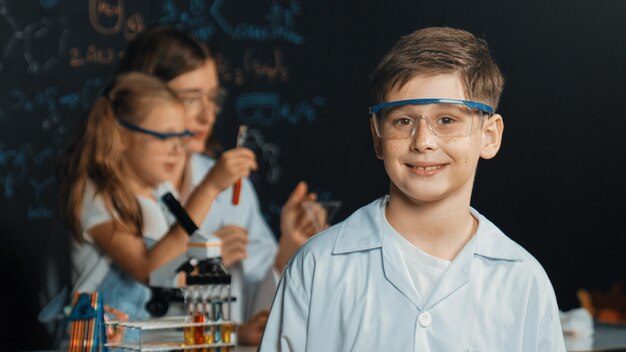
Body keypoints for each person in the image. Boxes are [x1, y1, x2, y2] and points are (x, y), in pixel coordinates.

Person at [259, 27, 567, 351]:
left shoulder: (524, 280)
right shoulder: (317, 266)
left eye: (447, 120)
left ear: (489, 136)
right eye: (403, 121)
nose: (423, 142)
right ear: (378, 136)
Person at [115, 26, 319, 344]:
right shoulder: (112, 186)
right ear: (142, 98)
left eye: (212, 98)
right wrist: (205, 260)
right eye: (189, 99)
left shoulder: (230, 187)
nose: (207, 115)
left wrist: (287, 251)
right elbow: (121, 314)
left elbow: (257, 318)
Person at [59, 72, 256, 339]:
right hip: (97, 344)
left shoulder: (161, 194)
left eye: (181, 137)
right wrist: (209, 187)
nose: (177, 150)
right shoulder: (97, 197)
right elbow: (148, 270)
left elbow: (167, 277)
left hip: (146, 341)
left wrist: (233, 331)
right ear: (122, 136)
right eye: (164, 137)